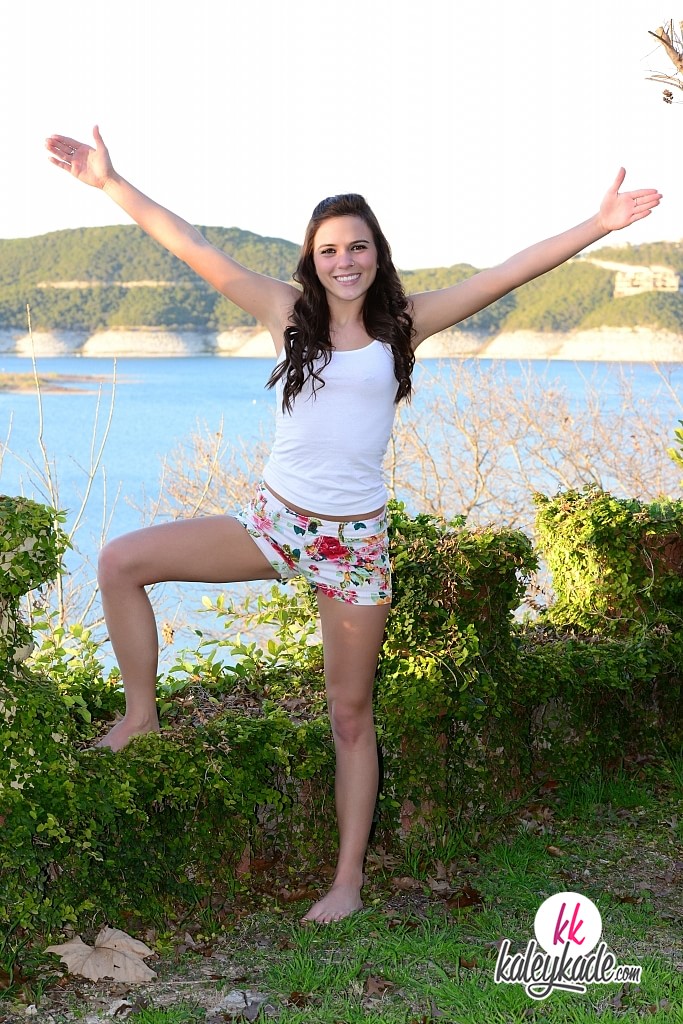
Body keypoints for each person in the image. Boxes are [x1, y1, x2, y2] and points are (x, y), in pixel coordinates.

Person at [45, 127, 661, 923]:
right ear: (312, 257)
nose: (344, 260)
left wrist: (598, 225)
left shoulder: (404, 322)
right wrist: (110, 183)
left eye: (357, 247)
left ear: (376, 254)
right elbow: (192, 245)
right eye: (329, 249)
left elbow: (506, 273)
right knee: (120, 561)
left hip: (354, 548)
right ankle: (140, 717)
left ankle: (345, 883)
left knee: (348, 713)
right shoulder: (283, 311)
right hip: (274, 522)